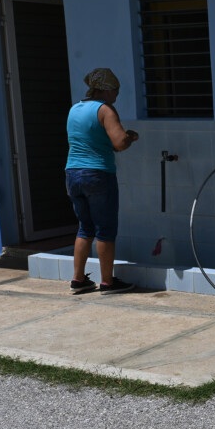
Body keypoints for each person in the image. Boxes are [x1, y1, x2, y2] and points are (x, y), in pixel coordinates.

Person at [65, 68, 138, 295]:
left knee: (84, 227)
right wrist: (131, 137)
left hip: (72, 173)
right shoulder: (105, 110)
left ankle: (78, 280)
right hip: (97, 174)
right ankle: (107, 282)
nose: (117, 95)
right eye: (115, 90)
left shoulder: (74, 108)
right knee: (105, 229)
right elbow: (119, 143)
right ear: (106, 89)